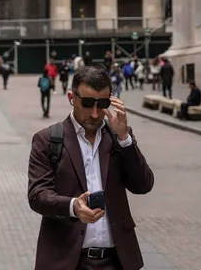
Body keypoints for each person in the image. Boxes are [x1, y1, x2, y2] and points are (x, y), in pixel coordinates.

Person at [27, 67, 154, 270]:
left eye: (102, 104)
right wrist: (73, 206)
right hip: (67, 261)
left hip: (116, 261)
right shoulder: (48, 140)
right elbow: (37, 195)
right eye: (87, 103)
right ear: (71, 97)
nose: (95, 113)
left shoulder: (118, 137)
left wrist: (124, 139)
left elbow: (143, 185)